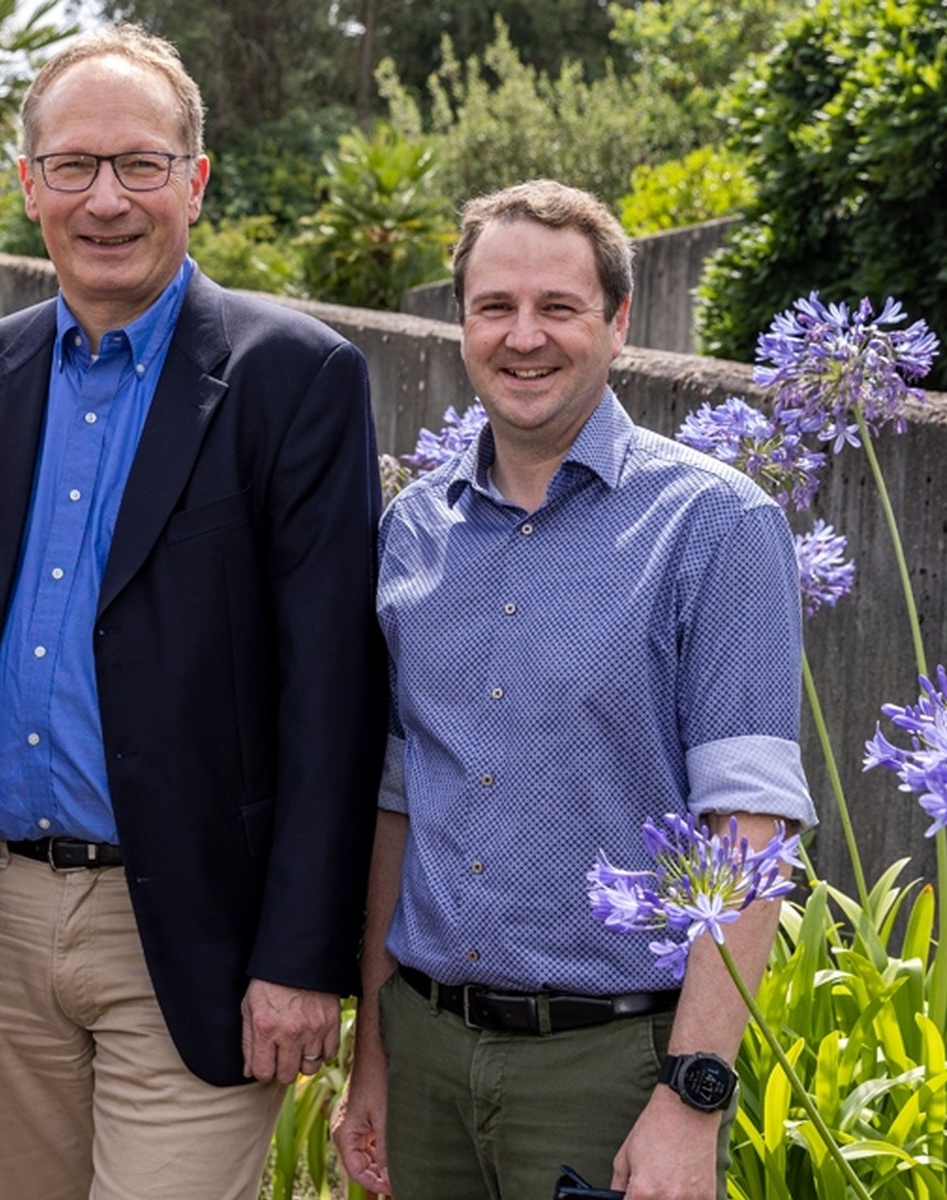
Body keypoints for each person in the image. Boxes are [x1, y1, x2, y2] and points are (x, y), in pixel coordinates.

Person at [0, 25, 386, 1200]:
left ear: (196, 181)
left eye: (141, 164)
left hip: (194, 930)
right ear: (29, 187)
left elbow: (332, 693)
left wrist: (299, 957)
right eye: (73, 166)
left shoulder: (297, 379)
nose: (107, 199)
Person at [331, 179, 814, 1200]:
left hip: (610, 1072)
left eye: (558, 307)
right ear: (462, 323)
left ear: (619, 321)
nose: (524, 337)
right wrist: (374, 1057)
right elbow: (399, 806)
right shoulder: (411, 531)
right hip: (425, 1060)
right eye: (495, 307)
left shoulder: (716, 527)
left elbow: (750, 833)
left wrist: (693, 1097)